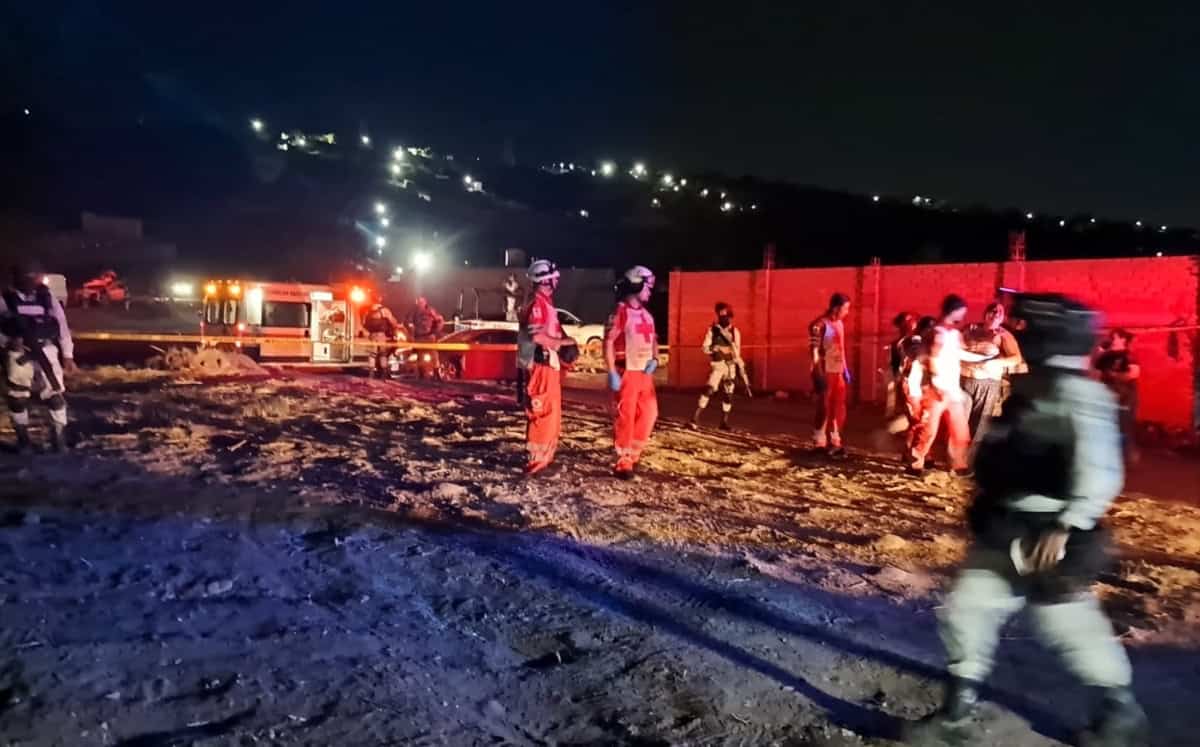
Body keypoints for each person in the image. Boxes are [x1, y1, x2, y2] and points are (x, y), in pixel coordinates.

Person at [907, 293, 1147, 747]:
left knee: (1068, 626)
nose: (1017, 334)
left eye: (1025, 329)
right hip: (1007, 526)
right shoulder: (1036, 387)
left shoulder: (1079, 394)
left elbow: (1099, 469)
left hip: (1047, 535)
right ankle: (955, 715)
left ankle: (1120, 715)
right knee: (966, 611)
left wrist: (1068, 524)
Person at [908, 295, 992, 476]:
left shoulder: (953, 334)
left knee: (959, 430)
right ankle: (916, 463)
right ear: (954, 310)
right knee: (928, 430)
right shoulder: (938, 333)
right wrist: (937, 383)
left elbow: (959, 354)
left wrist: (982, 359)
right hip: (937, 389)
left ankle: (958, 465)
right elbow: (932, 358)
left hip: (951, 390)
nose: (964, 314)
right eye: (962, 310)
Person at [1, 263, 76, 453]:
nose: (29, 281)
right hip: (18, 354)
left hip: (46, 352)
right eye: (25, 277)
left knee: (55, 396)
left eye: (32, 277)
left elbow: (61, 325)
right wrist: (8, 342)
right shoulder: (5, 299)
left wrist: (68, 355)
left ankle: (59, 440)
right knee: (17, 398)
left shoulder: (46, 297)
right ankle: (24, 440)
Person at [518, 259, 573, 476]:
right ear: (545, 280)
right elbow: (537, 335)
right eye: (554, 277)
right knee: (542, 414)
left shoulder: (546, 304)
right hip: (540, 367)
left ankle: (543, 460)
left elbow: (553, 334)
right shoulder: (538, 303)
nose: (557, 280)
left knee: (550, 415)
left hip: (548, 366)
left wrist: (565, 344)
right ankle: (536, 463)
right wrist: (562, 344)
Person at [604, 266, 659, 479]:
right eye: (647, 287)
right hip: (626, 371)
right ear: (635, 285)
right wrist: (611, 372)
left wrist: (655, 359)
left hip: (644, 374)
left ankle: (633, 455)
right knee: (625, 417)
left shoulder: (646, 315)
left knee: (649, 414)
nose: (649, 291)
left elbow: (653, 339)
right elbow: (608, 341)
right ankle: (623, 461)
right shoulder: (620, 312)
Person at [961, 302, 1023, 443]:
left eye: (999, 312)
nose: (995, 314)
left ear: (1002, 318)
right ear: (985, 313)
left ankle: (970, 459)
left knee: (979, 424)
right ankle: (954, 460)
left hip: (987, 383)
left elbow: (1016, 358)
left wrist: (996, 363)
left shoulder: (1003, 335)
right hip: (964, 380)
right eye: (992, 310)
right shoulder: (971, 329)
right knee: (959, 421)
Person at [691, 302, 749, 431]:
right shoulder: (712, 330)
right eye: (720, 314)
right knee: (709, 390)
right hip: (718, 365)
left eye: (725, 314)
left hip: (730, 366)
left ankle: (724, 422)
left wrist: (740, 368)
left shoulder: (735, 332)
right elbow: (705, 348)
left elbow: (736, 352)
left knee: (728, 394)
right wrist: (714, 348)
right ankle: (694, 419)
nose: (723, 317)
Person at [808, 293, 852, 457]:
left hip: (838, 371)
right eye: (845, 308)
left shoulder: (840, 323)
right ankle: (819, 441)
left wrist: (845, 369)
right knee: (824, 407)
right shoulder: (819, 325)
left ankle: (835, 441)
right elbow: (814, 351)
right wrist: (817, 372)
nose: (847, 312)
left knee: (839, 408)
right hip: (826, 370)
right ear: (836, 307)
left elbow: (841, 347)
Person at [1093, 329, 1140, 463]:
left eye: (1116, 337)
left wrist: (1114, 376)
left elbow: (1133, 374)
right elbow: (1096, 372)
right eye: (1112, 337)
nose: (1113, 340)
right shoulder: (1106, 356)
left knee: (1124, 426)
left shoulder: (1129, 356)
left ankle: (1128, 454)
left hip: (1125, 396)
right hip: (1108, 395)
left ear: (1123, 340)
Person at [406, 296, 445, 380]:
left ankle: (436, 373)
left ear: (425, 302)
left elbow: (440, 320)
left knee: (434, 355)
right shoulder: (413, 312)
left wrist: (436, 331)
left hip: (429, 337)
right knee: (419, 355)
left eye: (421, 302)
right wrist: (411, 332)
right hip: (419, 337)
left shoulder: (431, 310)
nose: (420, 304)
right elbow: (408, 322)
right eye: (418, 302)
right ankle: (421, 373)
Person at [361, 299, 402, 379]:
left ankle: (371, 373)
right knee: (383, 354)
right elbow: (393, 322)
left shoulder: (368, 311)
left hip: (372, 335)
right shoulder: (384, 310)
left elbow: (364, 324)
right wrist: (395, 327)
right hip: (381, 335)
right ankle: (383, 373)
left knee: (372, 355)